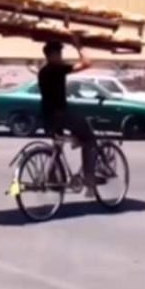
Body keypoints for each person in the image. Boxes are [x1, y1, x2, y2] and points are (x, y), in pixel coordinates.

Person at [37, 38, 94, 192]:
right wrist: (79, 46)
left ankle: (53, 179)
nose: (61, 56)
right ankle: (89, 181)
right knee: (89, 140)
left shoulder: (43, 71)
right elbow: (87, 63)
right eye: (59, 53)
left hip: (47, 117)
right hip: (60, 115)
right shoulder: (57, 69)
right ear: (52, 55)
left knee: (58, 146)